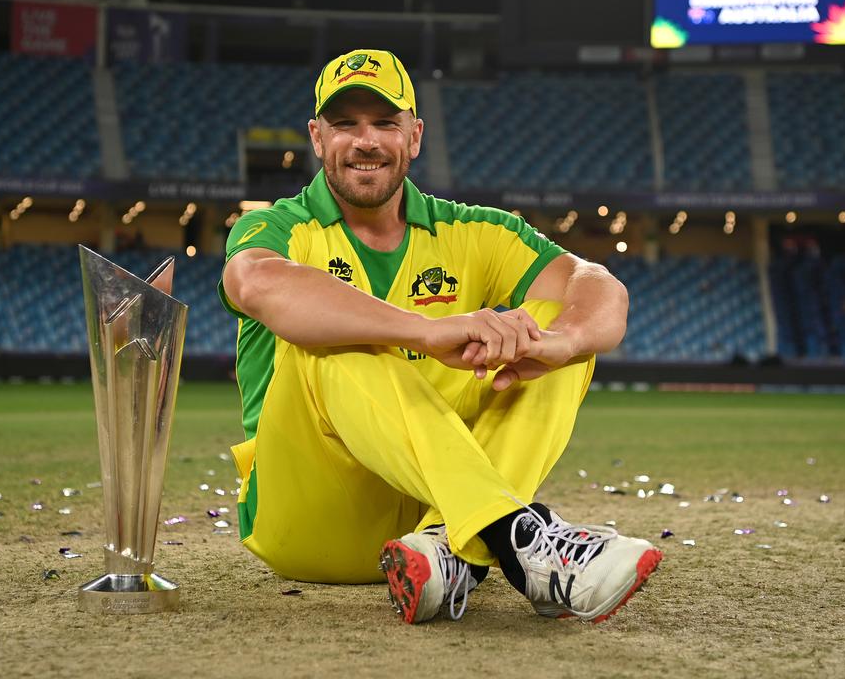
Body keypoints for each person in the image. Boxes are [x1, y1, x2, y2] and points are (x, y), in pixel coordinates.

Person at [219, 49, 661, 625]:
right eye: (345, 124)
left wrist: (560, 342)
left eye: (385, 123)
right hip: (308, 516)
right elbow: (255, 282)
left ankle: (449, 553)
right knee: (330, 340)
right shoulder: (277, 225)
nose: (366, 141)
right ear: (317, 137)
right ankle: (515, 537)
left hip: (429, 523)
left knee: (556, 324)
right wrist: (427, 331)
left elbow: (599, 287)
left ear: (416, 135)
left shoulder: (475, 229)